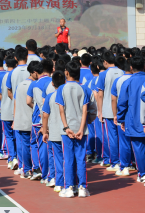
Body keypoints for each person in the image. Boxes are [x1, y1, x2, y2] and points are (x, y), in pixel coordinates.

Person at [57, 62, 90, 198]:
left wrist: (66, 128)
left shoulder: (61, 89)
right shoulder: (83, 89)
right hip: (81, 129)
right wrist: (81, 129)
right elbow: (85, 110)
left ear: (67, 73)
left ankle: (70, 187)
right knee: (81, 159)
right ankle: (82, 187)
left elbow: (61, 110)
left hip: (67, 130)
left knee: (68, 158)